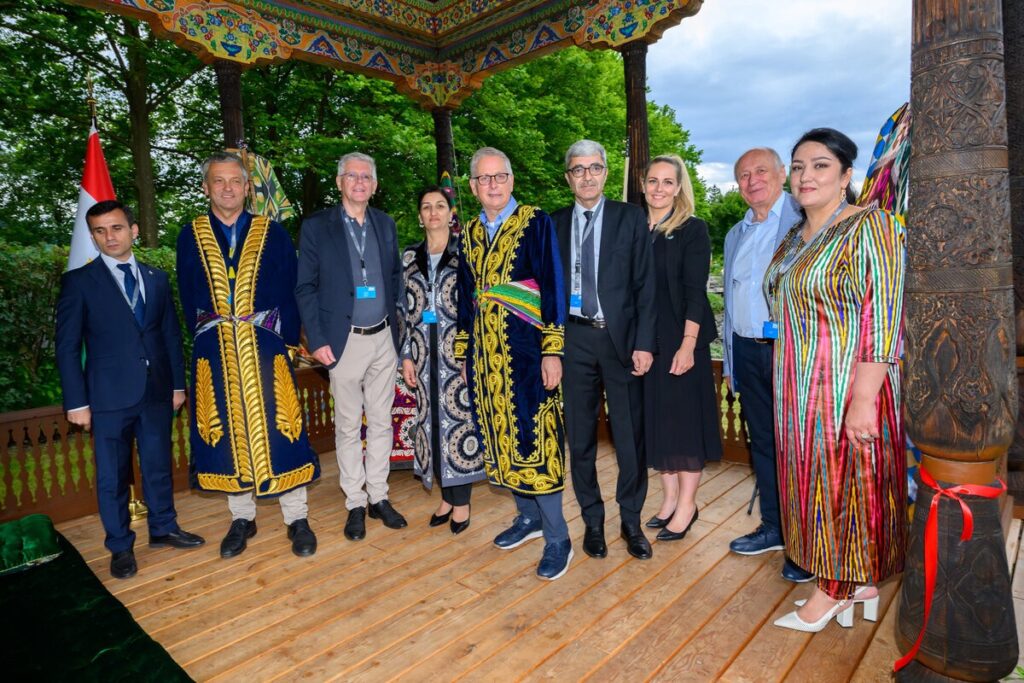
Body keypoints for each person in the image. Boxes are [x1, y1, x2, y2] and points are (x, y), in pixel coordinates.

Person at [766, 128, 905, 632]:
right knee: (809, 486)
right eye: (798, 166)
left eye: (820, 165)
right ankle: (849, 577)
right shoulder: (796, 235)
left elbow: (884, 314)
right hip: (796, 388)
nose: (806, 176)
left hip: (846, 383)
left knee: (845, 484)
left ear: (847, 175)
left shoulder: (873, 226)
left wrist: (864, 398)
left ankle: (835, 589)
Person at [177, 152, 319, 559]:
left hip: (266, 348)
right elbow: (188, 297)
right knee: (222, 435)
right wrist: (206, 338)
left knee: (283, 430)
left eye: (235, 182)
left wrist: (289, 345)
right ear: (206, 187)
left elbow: (290, 291)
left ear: (247, 187)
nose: (227, 188)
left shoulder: (272, 233)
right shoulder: (190, 234)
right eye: (218, 181)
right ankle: (241, 517)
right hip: (215, 351)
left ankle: (297, 517)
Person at [57, 200, 205, 579]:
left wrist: (176, 385)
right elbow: (68, 346)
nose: (110, 236)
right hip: (106, 398)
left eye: (117, 228)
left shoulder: (156, 278)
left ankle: (163, 528)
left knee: (157, 466)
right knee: (112, 476)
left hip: (156, 392)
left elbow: (170, 335)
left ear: (133, 230)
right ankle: (120, 546)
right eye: (100, 231)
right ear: (92, 236)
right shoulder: (79, 282)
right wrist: (77, 402)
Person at [455, 146, 571, 580]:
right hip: (487, 360)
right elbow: (466, 298)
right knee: (501, 441)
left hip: (528, 355)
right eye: (483, 179)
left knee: (536, 439)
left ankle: (558, 537)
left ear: (511, 179)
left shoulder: (536, 222)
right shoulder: (467, 233)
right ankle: (528, 518)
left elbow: (553, 287)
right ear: (473, 186)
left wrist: (553, 349)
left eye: (499, 177)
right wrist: (466, 353)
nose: (492, 185)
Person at [295, 152, 407, 541]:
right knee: (347, 426)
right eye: (352, 176)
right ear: (340, 181)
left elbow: (394, 279)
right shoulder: (316, 227)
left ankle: (379, 496)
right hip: (342, 342)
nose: (359, 182)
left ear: (375, 186)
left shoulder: (386, 224)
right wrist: (318, 340)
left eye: (366, 177)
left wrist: (400, 334)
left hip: (383, 339)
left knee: (380, 421)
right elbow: (305, 287)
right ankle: (355, 503)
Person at [552, 140, 655, 561]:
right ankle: (592, 522)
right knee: (579, 439)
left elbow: (645, 287)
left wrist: (645, 343)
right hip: (573, 341)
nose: (587, 176)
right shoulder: (553, 224)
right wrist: (550, 348)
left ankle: (630, 521)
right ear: (568, 177)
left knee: (630, 438)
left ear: (606, 173)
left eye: (594, 168)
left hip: (621, 342)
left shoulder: (631, 218)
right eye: (578, 169)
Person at [722, 148, 814, 584]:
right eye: (743, 175)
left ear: (782, 174)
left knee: (797, 447)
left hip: (789, 352)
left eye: (761, 171)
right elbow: (732, 293)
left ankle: (806, 543)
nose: (752, 180)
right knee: (763, 442)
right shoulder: (735, 233)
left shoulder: (804, 222)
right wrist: (730, 363)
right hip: (746, 348)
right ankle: (775, 527)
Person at [641, 154, 721, 542]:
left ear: (679, 187)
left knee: (684, 424)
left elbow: (694, 292)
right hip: (647, 341)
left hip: (681, 338)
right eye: (653, 181)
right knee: (659, 422)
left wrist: (688, 345)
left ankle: (687, 504)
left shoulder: (693, 229)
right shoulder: (635, 227)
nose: (659, 189)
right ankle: (669, 498)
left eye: (667, 182)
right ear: (643, 185)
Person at [401, 186, 485, 534]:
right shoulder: (408, 257)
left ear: (451, 214)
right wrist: (406, 355)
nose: (433, 212)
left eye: (440, 206)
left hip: (458, 353)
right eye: (426, 206)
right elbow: (403, 311)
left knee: (459, 423)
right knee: (431, 423)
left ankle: (461, 502)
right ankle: (447, 498)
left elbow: (478, 306)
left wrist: (473, 352)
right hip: (422, 354)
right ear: (420, 216)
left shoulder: (466, 252)